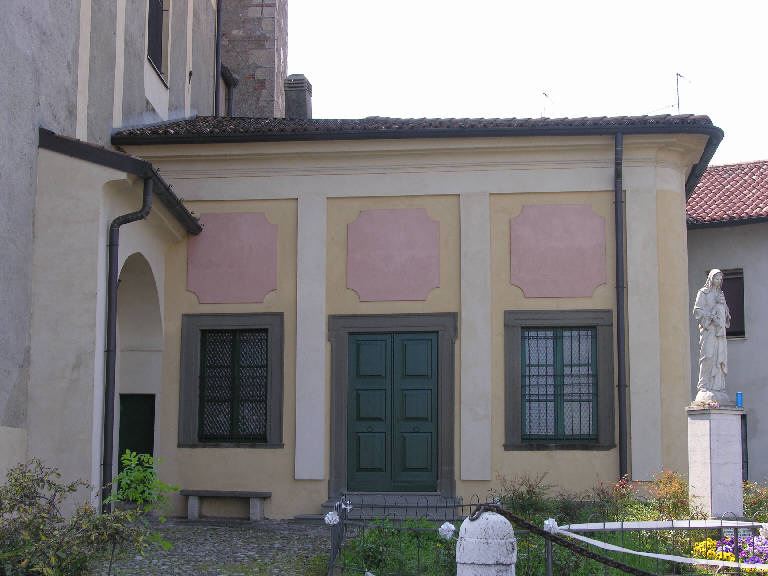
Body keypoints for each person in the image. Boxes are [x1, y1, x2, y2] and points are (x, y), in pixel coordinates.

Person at [692, 269, 731, 406]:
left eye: (721, 279)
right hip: (709, 331)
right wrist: (711, 315)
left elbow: (727, 315)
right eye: (716, 278)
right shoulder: (703, 293)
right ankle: (704, 385)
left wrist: (722, 308)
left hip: (719, 334)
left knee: (718, 358)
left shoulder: (721, 295)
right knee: (708, 356)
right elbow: (697, 311)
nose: (719, 281)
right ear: (710, 279)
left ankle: (717, 386)